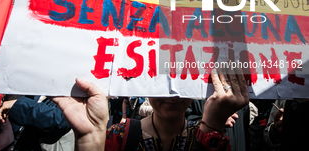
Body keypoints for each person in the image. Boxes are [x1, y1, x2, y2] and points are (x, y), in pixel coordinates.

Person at [53, 68, 249, 151]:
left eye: (182, 84)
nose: (172, 95)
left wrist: (211, 128)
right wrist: (90, 139)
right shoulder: (119, 136)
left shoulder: (209, 139)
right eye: (161, 84)